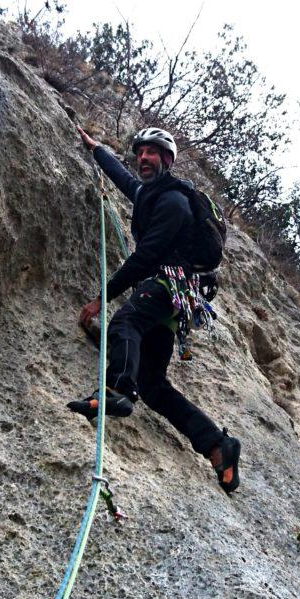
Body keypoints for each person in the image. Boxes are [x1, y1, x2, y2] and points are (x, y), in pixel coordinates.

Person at [69, 124, 241, 494]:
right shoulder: (153, 194)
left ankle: (116, 389)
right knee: (153, 384)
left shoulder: (174, 203)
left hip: (168, 285)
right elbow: (127, 183)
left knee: (126, 320)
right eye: (140, 153)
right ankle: (217, 445)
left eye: (153, 153)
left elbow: (146, 257)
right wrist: (97, 149)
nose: (144, 159)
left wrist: (103, 296)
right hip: (174, 301)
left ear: (168, 160)